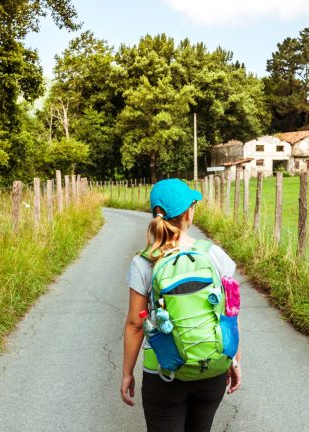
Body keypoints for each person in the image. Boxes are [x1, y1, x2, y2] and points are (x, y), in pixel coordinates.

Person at [120, 178, 241, 432]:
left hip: (164, 372)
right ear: (189, 212)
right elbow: (229, 313)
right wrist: (234, 360)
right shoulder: (213, 254)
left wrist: (127, 374)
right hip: (212, 367)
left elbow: (135, 325)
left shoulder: (144, 262)